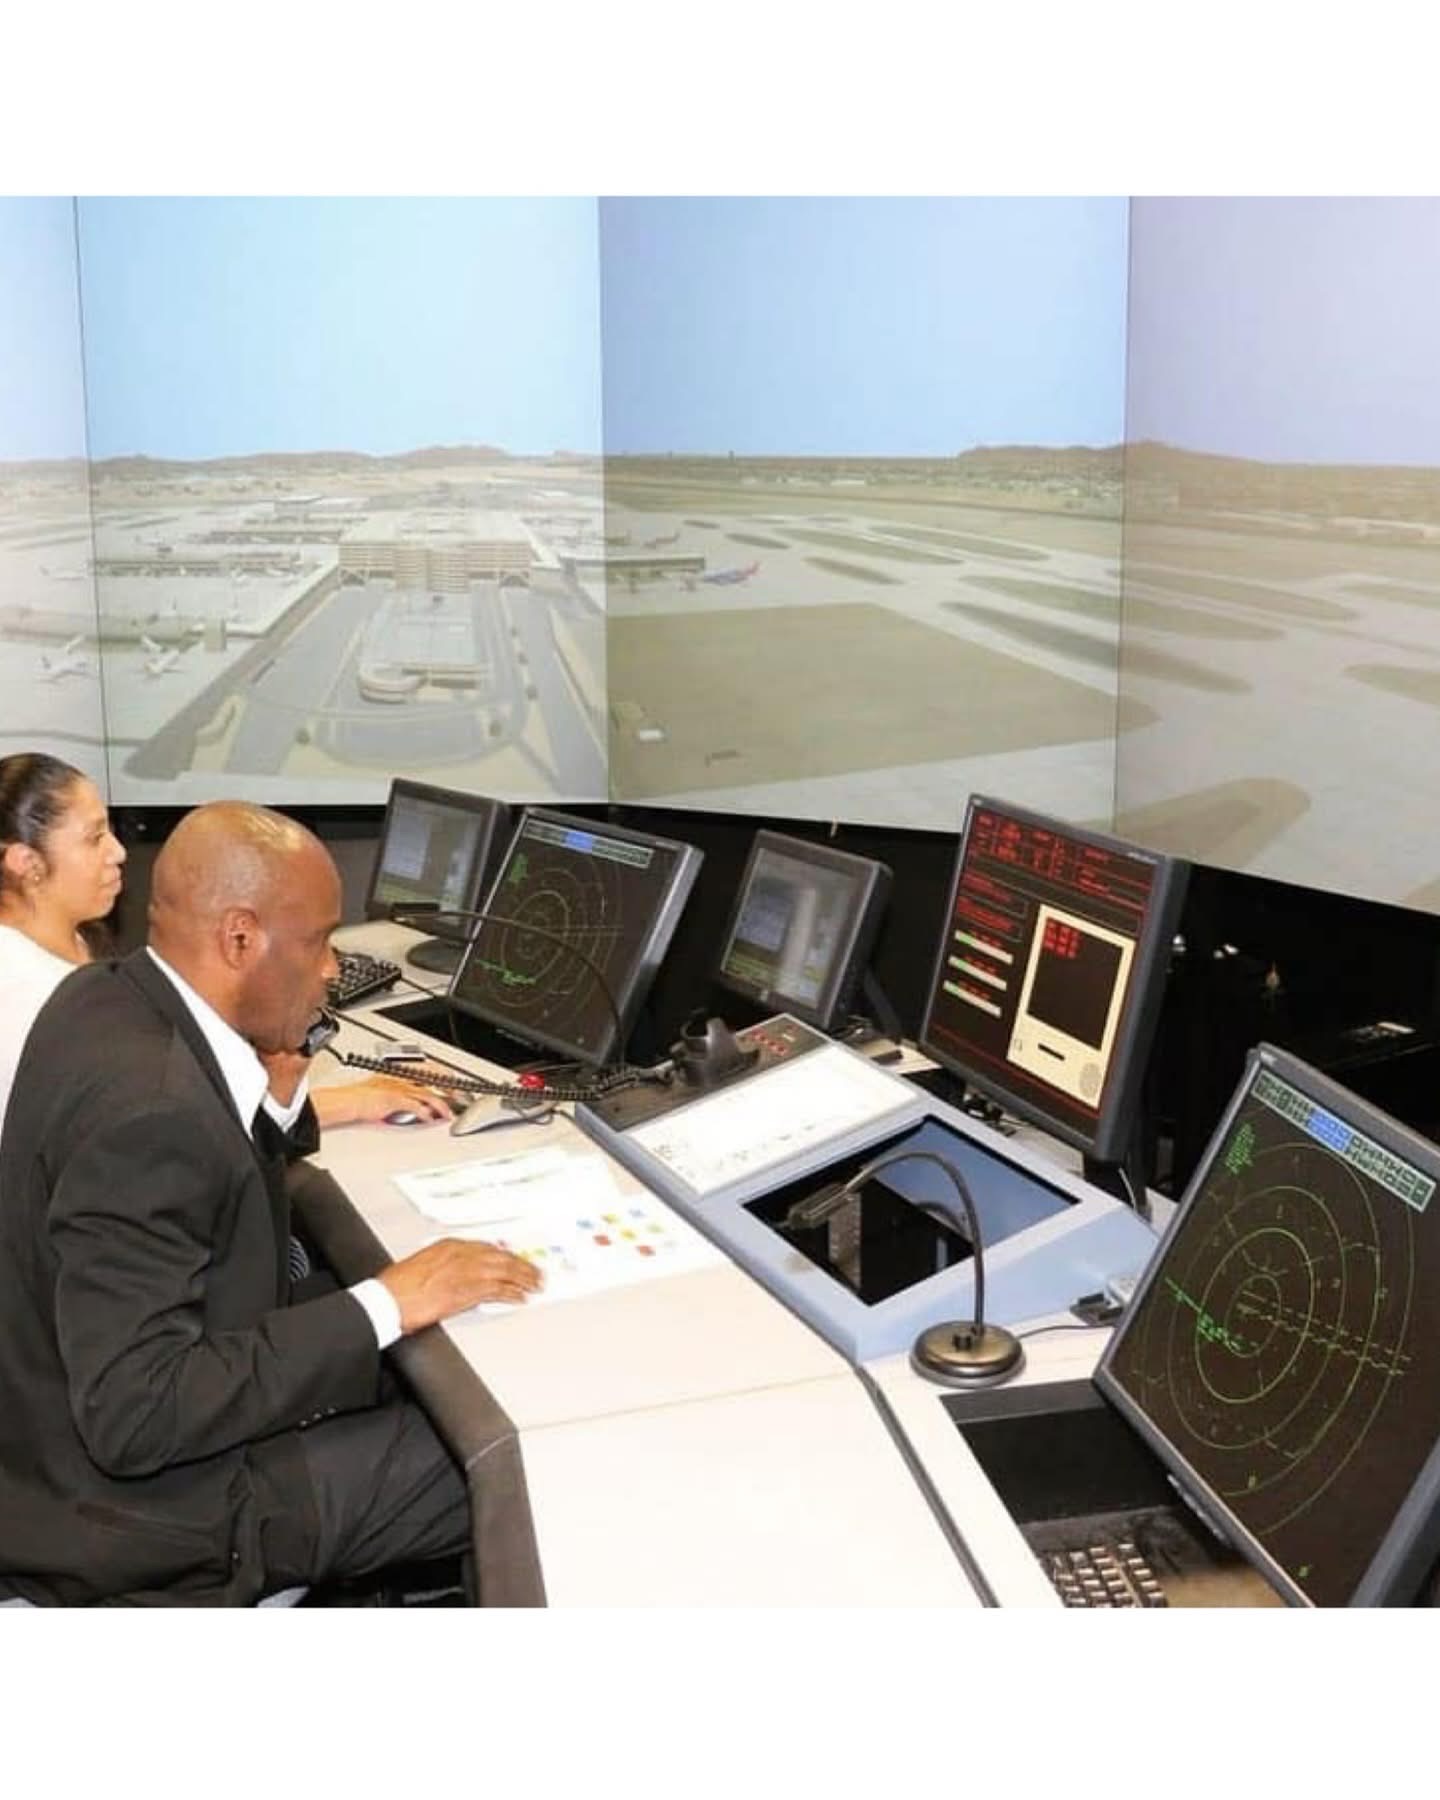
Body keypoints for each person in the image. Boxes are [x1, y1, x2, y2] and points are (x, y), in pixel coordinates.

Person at [0, 800, 542, 1606]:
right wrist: (388, 1302)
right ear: (240, 939)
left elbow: (196, 1198)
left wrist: (278, 1104)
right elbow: (136, 1414)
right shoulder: (150, 1113)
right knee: (517, 1459)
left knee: (424, 1371)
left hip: (60, 1458)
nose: (330, 970)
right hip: (155, 1520)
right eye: (319, 941)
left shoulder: (102, 998)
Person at [0, 751, 451, 1136]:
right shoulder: (27, 992)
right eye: (95, 837)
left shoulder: (76, 944)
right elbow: (170, 1124)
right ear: (27, 863)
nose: (118, 851)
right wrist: (351, 1101)